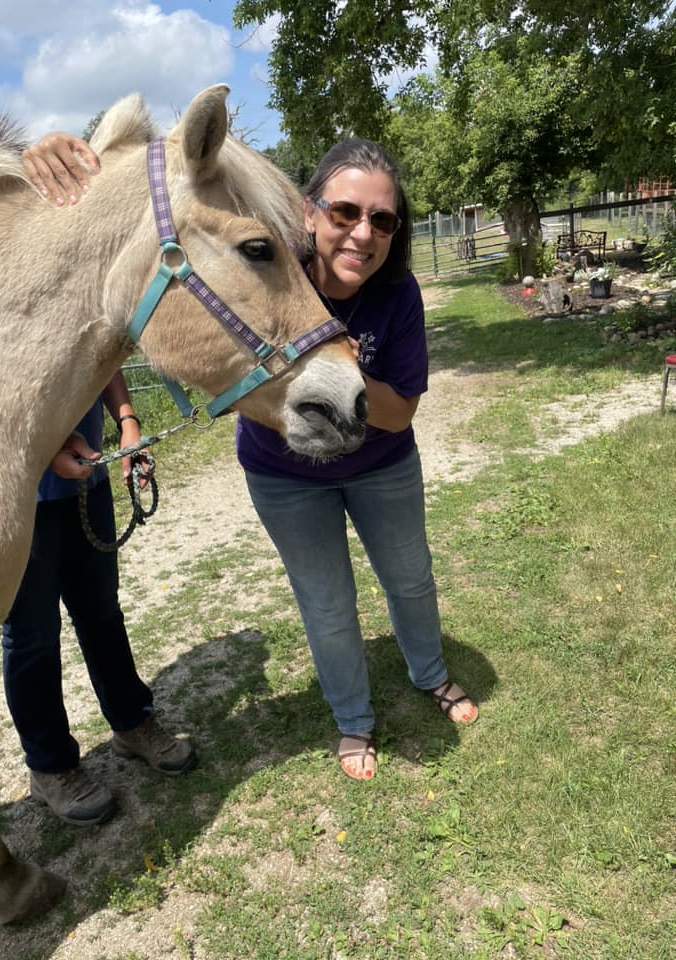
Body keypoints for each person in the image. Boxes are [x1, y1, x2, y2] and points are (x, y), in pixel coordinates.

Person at [0, 75, 196, 824]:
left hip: (79, 469)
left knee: (100, 607)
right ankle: (52, 767)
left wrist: (123, 424)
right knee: (28, 635)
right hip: (3, 486)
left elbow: (89, 342)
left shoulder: (27, 213)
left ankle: (131, 722)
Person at [236, 138, 479, 781]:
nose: (362, 233)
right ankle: (353, 719)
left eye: (382, 219)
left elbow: (398, 413)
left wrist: (330, 365)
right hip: (284, 475)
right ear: (309, 213)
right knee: (327, 604)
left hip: (382, 463)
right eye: (344, 212)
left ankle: (430, 673)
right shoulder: (266, 273)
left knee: (410, 578)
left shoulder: (398, 295)